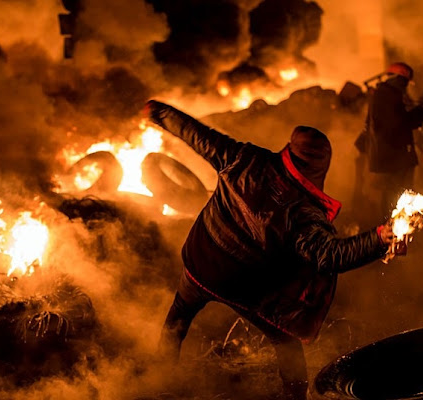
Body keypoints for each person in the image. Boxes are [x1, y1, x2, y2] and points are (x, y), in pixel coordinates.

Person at [144, 99, 395, 400]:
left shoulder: (244, 158)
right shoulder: (305, 212)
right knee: (286, 344)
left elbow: (198, 134)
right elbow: (332, 256)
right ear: (320, 167)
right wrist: (381, 238)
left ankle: (160, 380)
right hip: (246, 289)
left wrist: (160, 112)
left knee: (177, 319)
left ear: (290, 148)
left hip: (201, 265)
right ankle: (295, 397)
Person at [365, 62, 423, 217]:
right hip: (394, 157)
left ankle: (393, 227)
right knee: (396, 194)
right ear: (400, 79)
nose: (406, 86)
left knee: (395, 193)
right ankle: (393, 230)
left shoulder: (384, 93)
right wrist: (420, 112)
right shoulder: (387, 95)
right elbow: (398, 123)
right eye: (405, 81)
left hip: (392, 156)